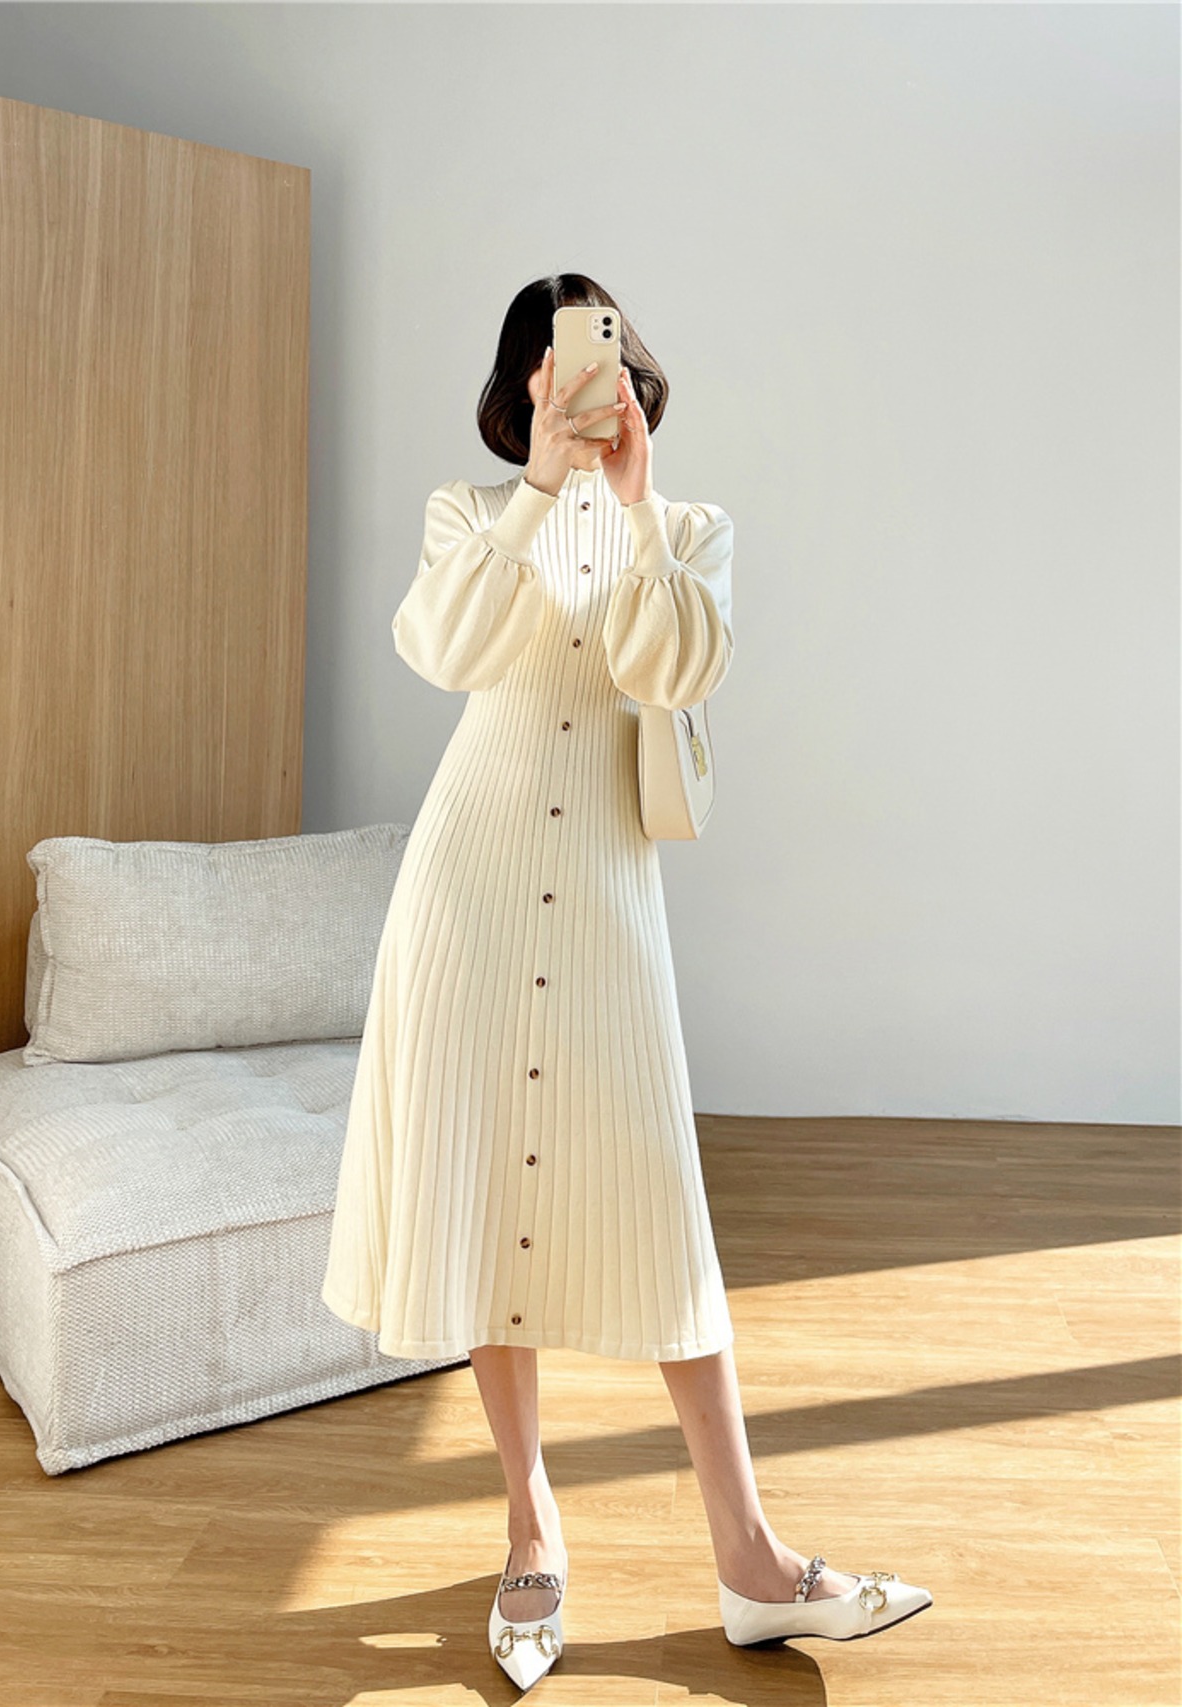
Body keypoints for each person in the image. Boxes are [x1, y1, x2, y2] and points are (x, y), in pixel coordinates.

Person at [321, 276, 932, 1686]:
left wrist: (635, 508)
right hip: (466, 897)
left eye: (597, 354)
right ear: (523, 385)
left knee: (660, 1216)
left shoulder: (691, 530)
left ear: (630, 370)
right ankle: (529, 1526)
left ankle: (752, 1560)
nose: (580, 382)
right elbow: (446, 651)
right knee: (487, 1202)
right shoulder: (472, 515)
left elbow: (681, 671)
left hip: (606, 903)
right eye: (554, 363)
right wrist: (539, 491)